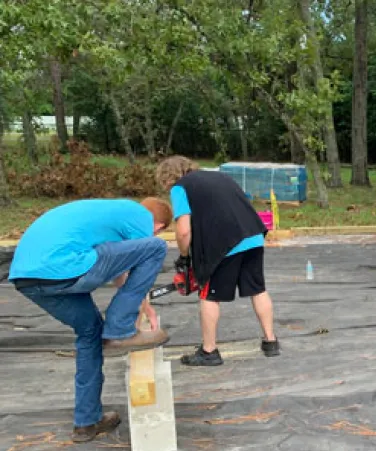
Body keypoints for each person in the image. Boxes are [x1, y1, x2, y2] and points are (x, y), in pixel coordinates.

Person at [8, 198, 173, 442]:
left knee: (90, 333)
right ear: (158, 225)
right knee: (157, 248)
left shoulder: (109, 214)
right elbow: (143, 253)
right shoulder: (140, 216)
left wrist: (142, 306)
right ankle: (119, 330)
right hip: (66, 266)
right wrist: (125, 325)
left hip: (28, 279)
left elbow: (122, 271)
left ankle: (86, 422)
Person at [155, 156, 279, 366]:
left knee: (209, 295)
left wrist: (184, 258)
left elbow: (184, 231)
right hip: (253, 236)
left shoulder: (180, 187)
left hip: (223, 244)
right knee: (257, 289)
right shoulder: (221, 176)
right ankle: (271, 341)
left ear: (168, 177)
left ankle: (209, 351)